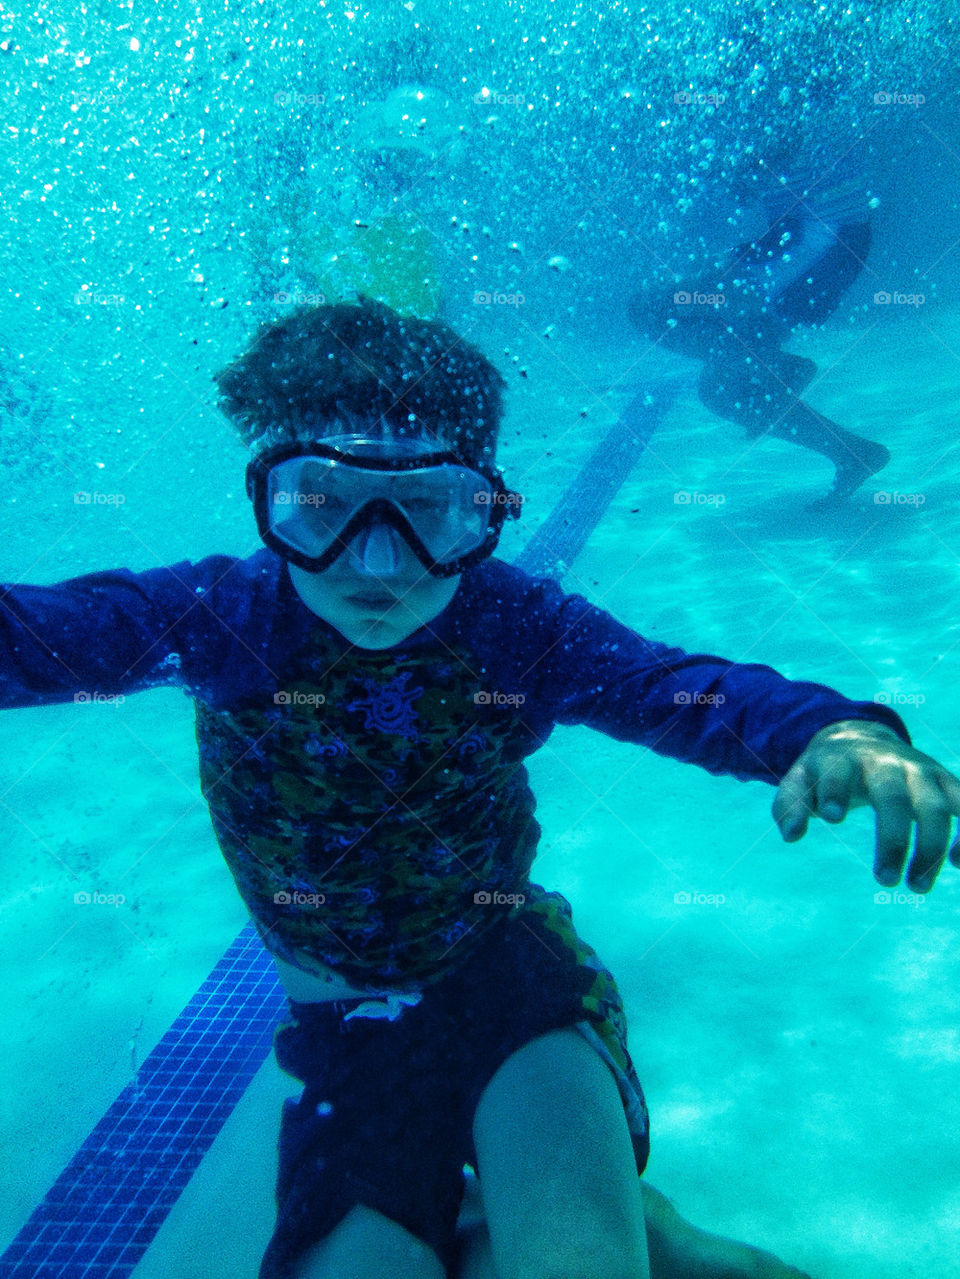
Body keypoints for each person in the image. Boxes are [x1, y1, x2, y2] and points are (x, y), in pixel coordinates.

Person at [2, 298, 958, 1279]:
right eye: (324, 504)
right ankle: (585, 1220)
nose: (377, 564)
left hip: (514, 981)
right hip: (352, 1039)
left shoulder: (514, 627)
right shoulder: (223, 618)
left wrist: (835, 730)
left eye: (427, 510)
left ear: (488, 507)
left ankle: (592, 1217)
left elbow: (676, 689)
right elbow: (39, 636)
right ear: (270, 499)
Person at [629, 160, 891, 502]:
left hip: (817, 242)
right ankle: (853, 453)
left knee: (649, 309)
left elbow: (799, 165)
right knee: (721, 391)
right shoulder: (775, 128)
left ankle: (773, 365)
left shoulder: (789, 121)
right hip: (811, 246)